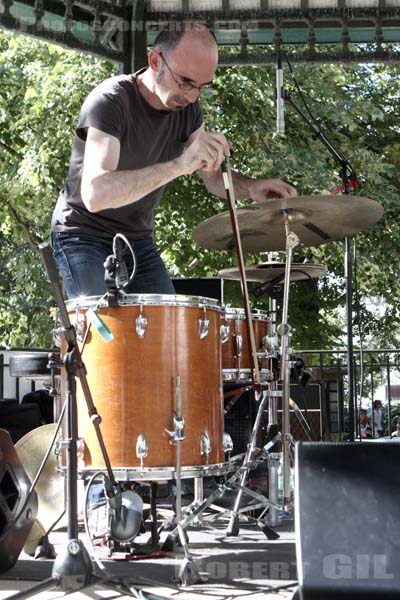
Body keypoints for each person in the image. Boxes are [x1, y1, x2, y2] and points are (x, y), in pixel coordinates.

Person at [51, 22, 296, 299]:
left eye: (201, 87)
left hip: (138, 239)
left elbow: (213, 179)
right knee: (104, 334)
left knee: (166, 334)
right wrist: (180, 165)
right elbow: (95, 195)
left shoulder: (188, 109)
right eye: (185, 82)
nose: (191, 96)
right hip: (83, 233)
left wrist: (250, 188)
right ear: (155, 60)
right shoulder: (110, 102)